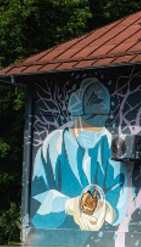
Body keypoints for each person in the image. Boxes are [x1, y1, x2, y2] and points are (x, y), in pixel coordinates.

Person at [30, 77, 126, 232]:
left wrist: (110, 211)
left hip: (98, 239)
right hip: (55, 236)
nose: (93, 131)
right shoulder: (54, 144)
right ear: (76, 115)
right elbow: (36, 198)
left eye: (98, 126)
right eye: (88, 124)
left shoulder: (109, 144)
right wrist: (68, 205)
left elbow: (120, 190)